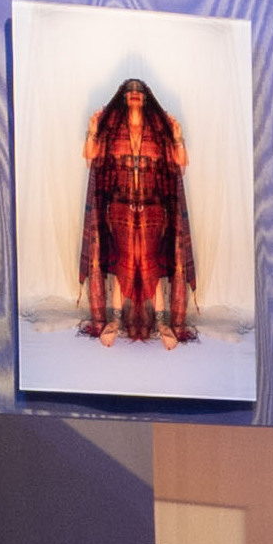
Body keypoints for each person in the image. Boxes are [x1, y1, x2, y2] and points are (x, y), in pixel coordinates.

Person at [80, 76, 196, 344]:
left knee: (151, 262)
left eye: (139, 90)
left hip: (154, 208)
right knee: (122, 261)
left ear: (146, 98)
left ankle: (161, 323)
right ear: (123, 97)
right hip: (118, 206)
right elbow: (90, 156)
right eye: (130, 90)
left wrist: (178, 138)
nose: (135, 93)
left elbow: (180, 163)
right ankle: (115, 320)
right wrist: (92, 131)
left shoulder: (160, 129)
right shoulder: (111, 128)